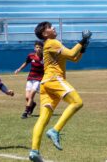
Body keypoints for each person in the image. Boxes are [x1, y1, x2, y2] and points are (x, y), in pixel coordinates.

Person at [29, 21, 92, 162]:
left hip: (45, 84)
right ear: (45, 33)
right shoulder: (52, 42)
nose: (54, 28)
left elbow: (73, 58)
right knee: (77, 102)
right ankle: (55, 130)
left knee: (43, 119)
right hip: (53, 79)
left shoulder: (52, 45)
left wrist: (83, 47)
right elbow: (71, 52)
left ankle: (34, 151)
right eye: (50, 27)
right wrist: (82, 40)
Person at [15, 41, 44, 119]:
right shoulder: (31, 55)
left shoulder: (45, 57)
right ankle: (33, 104)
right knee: (27, 97)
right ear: (35, 48)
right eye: (37, 47)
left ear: (42, 49)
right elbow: (26, 63)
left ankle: (25, 112)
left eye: (40, 48)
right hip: (30, 78)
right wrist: (19, 69)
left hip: (39, 79)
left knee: (31, 96)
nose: (38, 49)